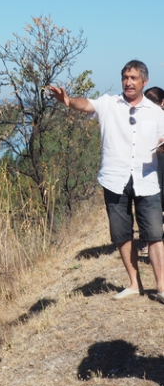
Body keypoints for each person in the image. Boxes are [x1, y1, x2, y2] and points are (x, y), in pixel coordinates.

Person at [49, 60, 164, 303]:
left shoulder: (156, 112)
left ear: (145, 81)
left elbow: (162, 140)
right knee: (122, 234)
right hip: (114, 178)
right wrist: (68, 101)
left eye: (133, 78)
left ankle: (162, 287)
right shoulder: (109, 103)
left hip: (146, 180)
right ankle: (134, 284)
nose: (128, 82)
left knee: (154, 234)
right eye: (125, 77)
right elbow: (85, 104)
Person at [140, 86, 164, 255]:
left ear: (162, 102)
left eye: (154, 101)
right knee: (149, 206)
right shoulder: (139, 119)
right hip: (149, 167)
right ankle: (148, 240)